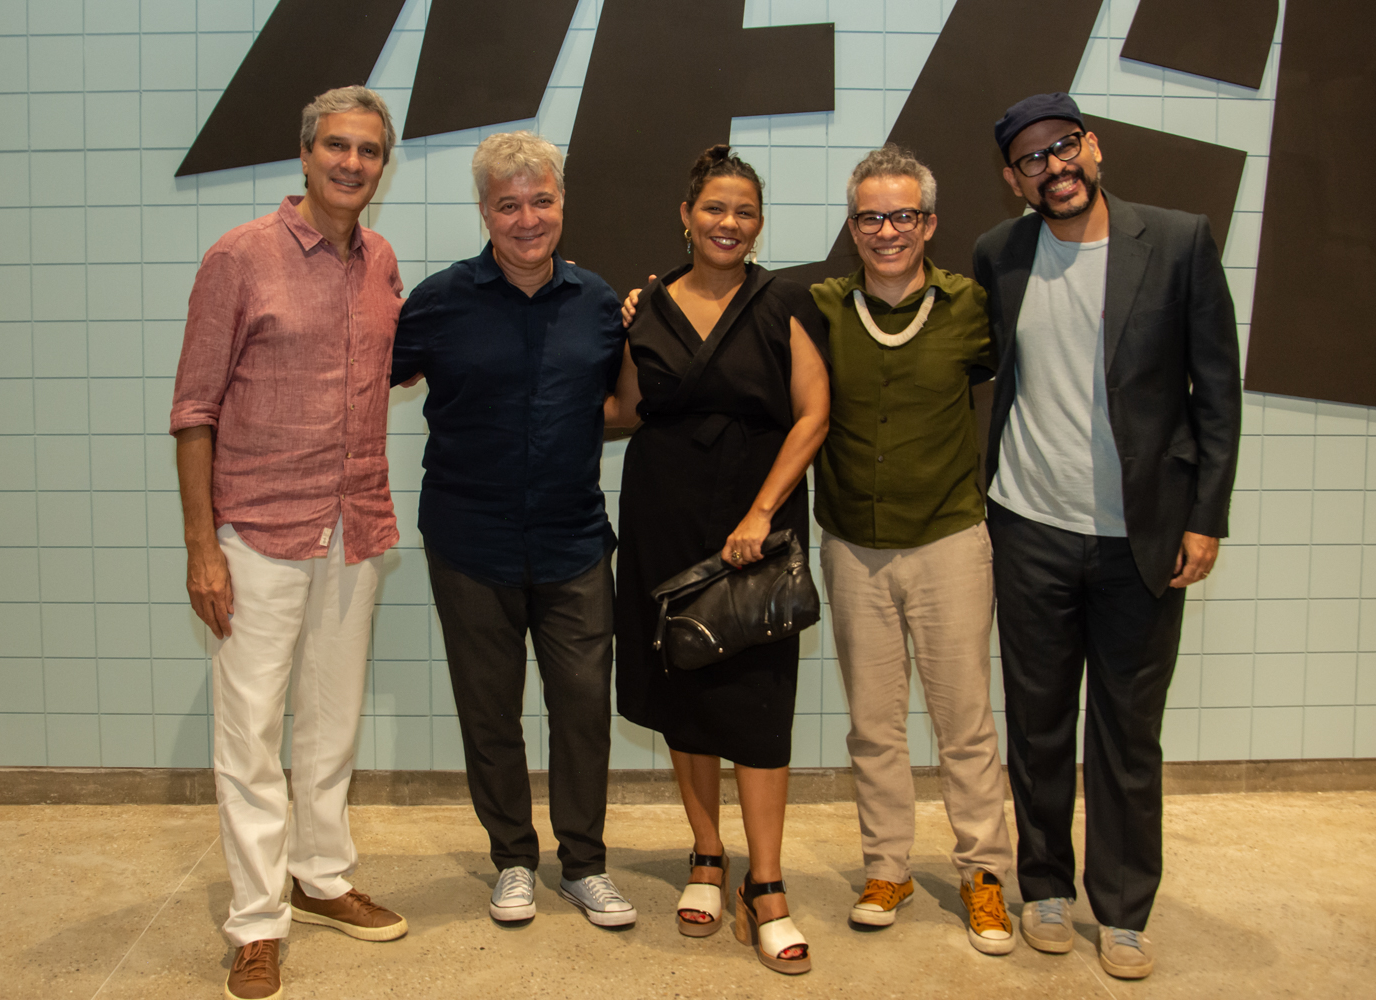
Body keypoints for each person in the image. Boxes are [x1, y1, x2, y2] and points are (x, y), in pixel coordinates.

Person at [973, 93, 1241, 980]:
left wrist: (1205, 516)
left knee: (1128, 732)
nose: (1053, 168)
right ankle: (1046, 886)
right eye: (1032, 159)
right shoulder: (998, 254)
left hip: (1143, 536)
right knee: (1038, 724)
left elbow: (1218, 391)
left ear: (1094, 147)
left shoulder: (1177, 241)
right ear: (1014, 178)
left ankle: (1124, 910)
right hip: (1029, 526)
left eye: (1064, 147)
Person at [170, 86, 408, 1000]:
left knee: (332, 722)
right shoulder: (240, 257)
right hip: (258, 533)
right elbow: (194, 410)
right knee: (251, 737)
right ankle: (257, 921)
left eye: (369, 151)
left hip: (355, 525)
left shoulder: (381, 261)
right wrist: (203, 548)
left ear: (382, 165)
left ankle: (320, 876)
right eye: (337, 146)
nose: (352, 163)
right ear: (305, 155)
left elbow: (386, 365)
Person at [390, 131, 635, 930]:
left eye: (541, 201)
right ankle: (514, 861)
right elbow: (366, 378)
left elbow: (625, 406)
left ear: (562, 204)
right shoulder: (437, 302)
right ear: (485, 212)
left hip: (573, 542)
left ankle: (585, 864)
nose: (527, 219)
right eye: (508, 205)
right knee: (489, 712)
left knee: (583, 709)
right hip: (469, 541)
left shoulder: (599, 302)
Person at [607, 145, 830, 975]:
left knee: (759, 701)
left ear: (759, 223)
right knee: (683, 689)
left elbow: (814, 415)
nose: (728, 223)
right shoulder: (646, 306)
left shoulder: (785, 301)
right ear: (686, 215)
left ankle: (765, 884)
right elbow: (626, 410)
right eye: (714, 208)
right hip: (663, 515)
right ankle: (707, 854)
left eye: (744, 211)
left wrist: (761, 514)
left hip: (754, 524)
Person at [810, 145, 1017, 954]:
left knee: (964, 723)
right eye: (871, 217)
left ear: (929, 223)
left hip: (949, 540)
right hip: (852, 546)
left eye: (903, 215)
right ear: (852, 226)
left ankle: (984, 874)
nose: (887, 231)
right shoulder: (822, 307)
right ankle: (886, 867)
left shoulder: (970, 306)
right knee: (873, 725)